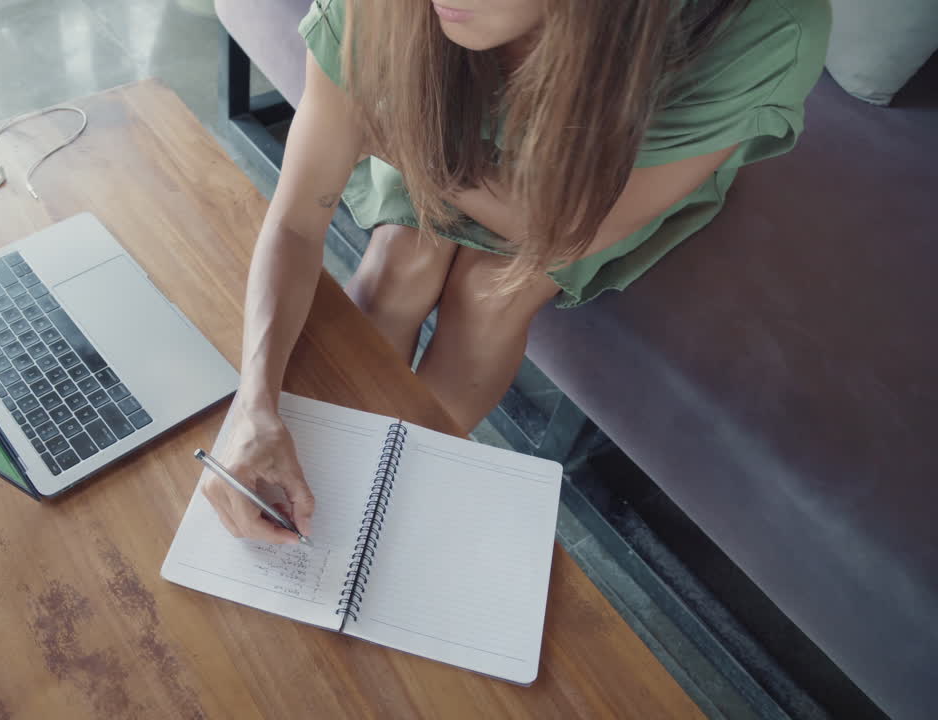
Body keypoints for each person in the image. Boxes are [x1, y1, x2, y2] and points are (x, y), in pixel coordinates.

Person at [203, 0, 830, 544]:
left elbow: (570, 227)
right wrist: (255, 405)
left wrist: (407, 146)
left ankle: (377, 506)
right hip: (437, 118)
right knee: (403, 261)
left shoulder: (756, 29)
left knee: (491, 294)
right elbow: (295, 224)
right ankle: (331, 482)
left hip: (596, 170)